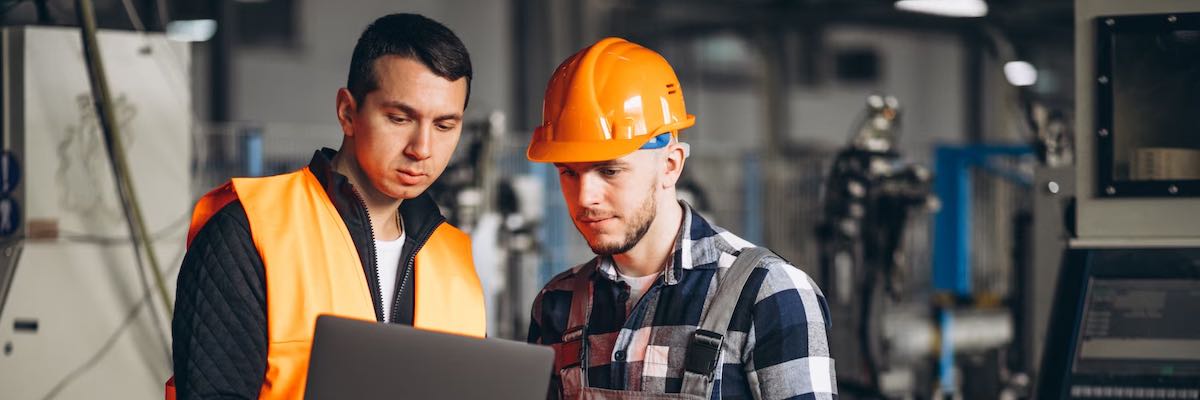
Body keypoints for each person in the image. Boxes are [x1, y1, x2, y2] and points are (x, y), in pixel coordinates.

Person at [169, 13, 485, 400]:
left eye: (444, 126)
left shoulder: (456, 261)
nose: (422, 149)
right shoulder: (249, 231)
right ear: (347, 112)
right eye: (400, 118)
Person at [526, 37, 838, 399]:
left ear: (670, 165)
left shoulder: (769, 294)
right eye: (568, 173)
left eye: (609, 171)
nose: (585, 197)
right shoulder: (557, 304)